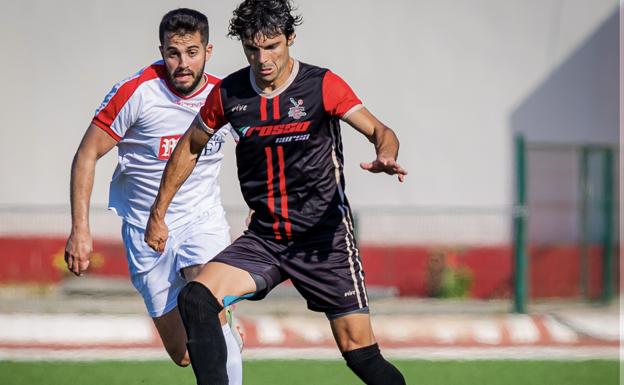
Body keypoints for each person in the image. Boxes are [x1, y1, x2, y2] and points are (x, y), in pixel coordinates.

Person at [146, 1, 408, 384]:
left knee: (361, 356)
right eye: (253, 48)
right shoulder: (229, 94)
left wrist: (386, 154)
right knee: (196, 299)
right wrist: (159, 211)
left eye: (272, 47)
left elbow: (381, 131)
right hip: (266, 239)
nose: (263, 58)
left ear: (290, 39)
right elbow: (189, 147)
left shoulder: (322, 85)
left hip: (324, 240)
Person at [64, 8, 242, 384]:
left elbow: (258, 149)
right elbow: (86, 155)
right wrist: (80, 229)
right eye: (173, 53)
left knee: (205, 305)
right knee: (184, 353)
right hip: (145, 230)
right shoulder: (136, 92)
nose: (182, 63)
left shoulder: (225, 95)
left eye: (192, 52)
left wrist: (262, 206)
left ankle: (222, 329)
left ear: (208, 50)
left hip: (202, 219)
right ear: (161, 50)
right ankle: (220, 332)